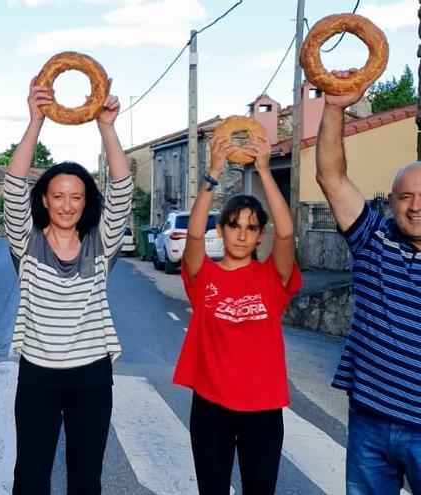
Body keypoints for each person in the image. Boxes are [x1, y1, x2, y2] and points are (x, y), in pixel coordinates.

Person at [3, 77, 133, 495]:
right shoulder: (28, 244)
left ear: (84, 202)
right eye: (58, 196)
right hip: (38, 374)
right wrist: (35, 120)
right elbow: (12, 187)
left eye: (76, 197)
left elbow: (122, 192)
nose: (66, 204)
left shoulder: (100, 244)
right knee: (30, 477)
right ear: (44, 199)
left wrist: (107, 128)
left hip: (91, 375)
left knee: (85, 477)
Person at [172, 134, 302, 494]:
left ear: (261, 235)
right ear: (221, 229)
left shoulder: (273, 278)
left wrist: (264, 170)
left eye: (252, 228)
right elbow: (193, 237)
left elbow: (287, 232)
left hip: (262, 409)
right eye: (234, 225)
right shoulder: (204, 277)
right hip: (211, 406)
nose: (242, 235)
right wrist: (212, 173)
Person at [315, 70, 421, 495]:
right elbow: (331, 177)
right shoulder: (372, 239)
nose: (415, 208)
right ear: (390, 201)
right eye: (406, 197)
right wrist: (334, 107)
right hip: (369, 420)